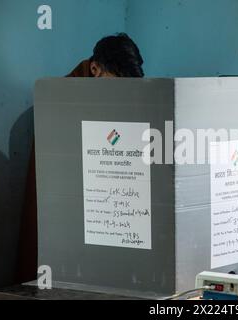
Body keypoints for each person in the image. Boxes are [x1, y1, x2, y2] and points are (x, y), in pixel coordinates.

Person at [16, 33, 144, 282]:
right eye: (115, 84)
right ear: (94, 69)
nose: (120, 96)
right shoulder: (61, 98)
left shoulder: (86, 93)